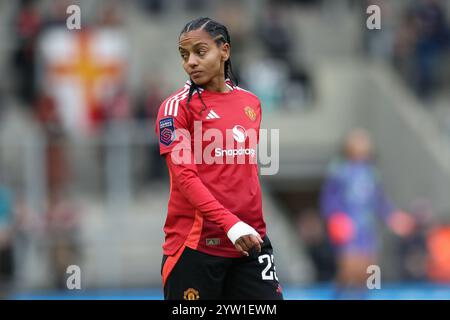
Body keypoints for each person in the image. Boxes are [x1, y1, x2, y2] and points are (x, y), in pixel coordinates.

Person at [155, 17, 283, 300]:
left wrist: (244, 225)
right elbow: (185, 178)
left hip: (250, 243)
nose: (191, 62)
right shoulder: (174, 109)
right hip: (196, 248)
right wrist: (230, 224)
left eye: (200, 52)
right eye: (184, 55)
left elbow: (242, 172)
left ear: (224, 51)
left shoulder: (251, 103)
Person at [320, 128, 415, 299]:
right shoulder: (339, 171)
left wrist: (392, 217)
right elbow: (329, 200)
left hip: (367, 229)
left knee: (368, 270)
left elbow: (379, 200)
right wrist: (335, 218)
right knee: (349, 269)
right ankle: (339, 295)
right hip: (347, 228)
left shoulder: (372, 173)